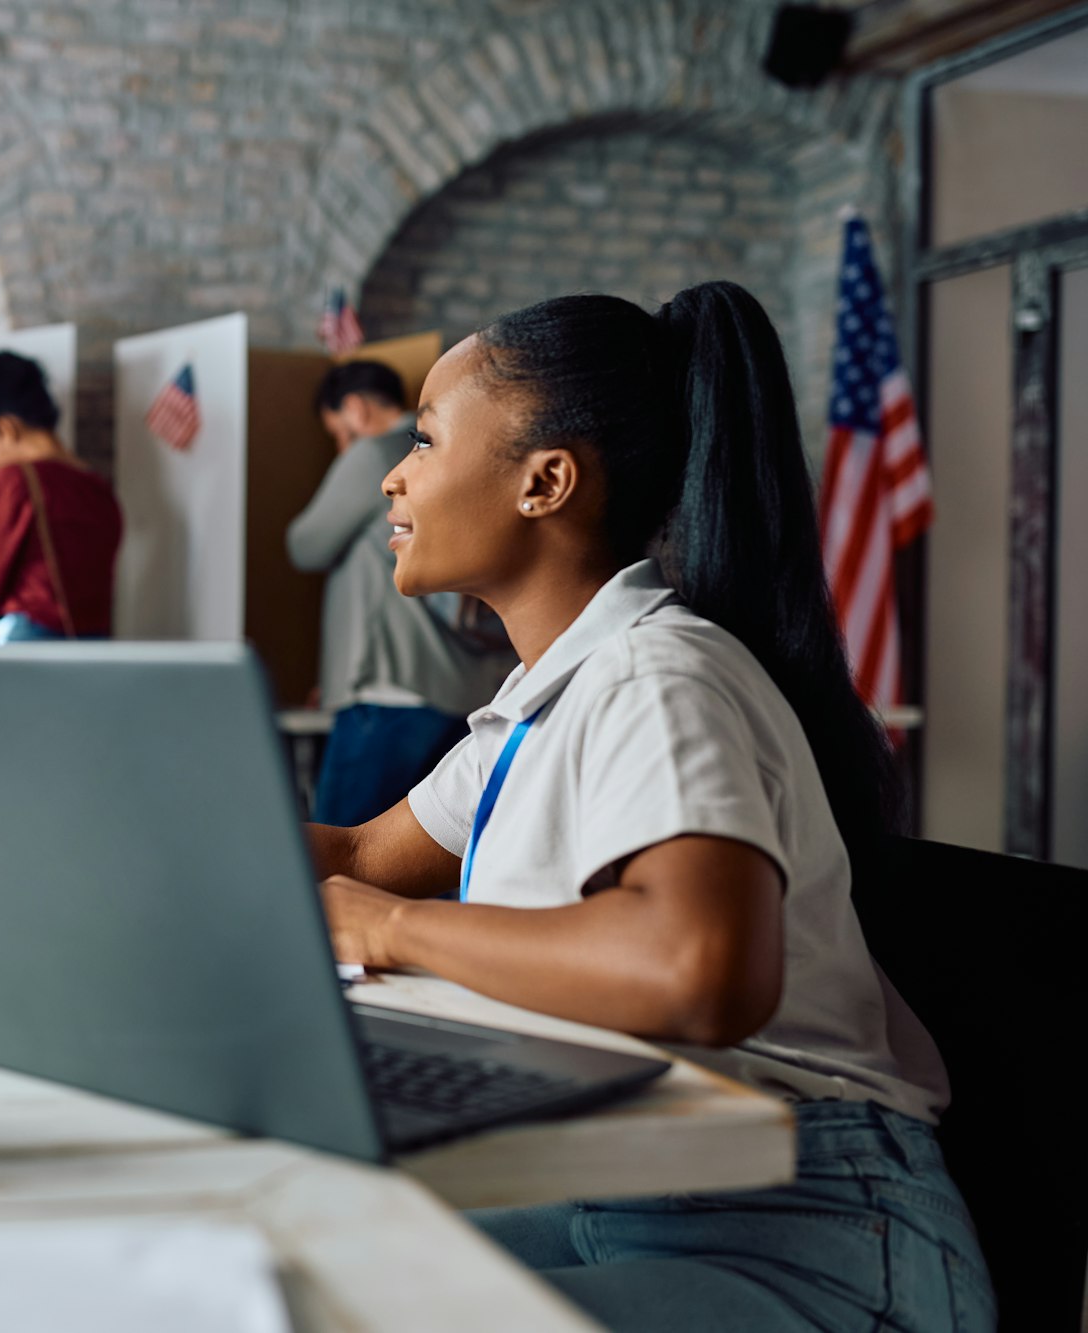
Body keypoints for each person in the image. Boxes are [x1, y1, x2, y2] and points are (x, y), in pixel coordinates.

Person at [311, 284, 994, 1331]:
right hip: (628, 1188)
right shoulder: (540, 701)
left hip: (807, 1228)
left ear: (545, 481)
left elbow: (694, 968)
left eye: (425, 441)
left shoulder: (655, 675)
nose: (393, 479)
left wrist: (391, 929)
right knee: (291, 1272)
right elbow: (362, 847)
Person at [288, 360, 514, 825]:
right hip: (467, 692)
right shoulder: (454, 453)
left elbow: (305, 546)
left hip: (391, 687)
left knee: (344, 856)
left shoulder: (374, 456)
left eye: (338, 432)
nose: (340, 444)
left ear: (353, 408)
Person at [0, 352, 122, 644]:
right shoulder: (98, 488)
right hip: (92, 644)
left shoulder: (13, 480)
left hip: (27, 639)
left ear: (6, 429)